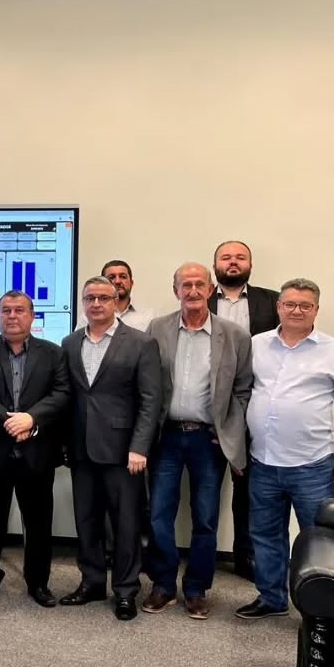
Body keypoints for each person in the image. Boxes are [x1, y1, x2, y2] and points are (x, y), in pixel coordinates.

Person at [236, 277, 334, 620]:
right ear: (279, 307)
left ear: (316, 310)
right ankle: (271, 598)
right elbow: (241, 395)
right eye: (290, 304)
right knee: (265, 535)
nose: (296, 310)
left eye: (305, 305)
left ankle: (321, 610)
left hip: (313, 466)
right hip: (263, 462)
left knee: (320, 541)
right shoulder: (257, 345)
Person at [142, 263, 252, 621]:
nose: (192, 291)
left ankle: (196, 589)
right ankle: (163, 584)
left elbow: (243, 390)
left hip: (208, 440)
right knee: (159, 514)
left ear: (210, 289)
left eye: (199, 284)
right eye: (185, 285)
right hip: (166, 436)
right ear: (175, 290)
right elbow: (147, 383)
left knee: (205, 518)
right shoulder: (157, 329)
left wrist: (228, 431)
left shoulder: (234, 335)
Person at [60, 276, 161, 620]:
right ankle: (91, 583)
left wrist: (140, 447)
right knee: (86, 520)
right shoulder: (70, 343)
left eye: (104, 298)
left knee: (125, 524)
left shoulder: (141, 343)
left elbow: (150, 401)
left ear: (116, 301)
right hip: (81, 449)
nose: (96, 304)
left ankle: (126, 590)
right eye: (90, 298)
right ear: (83, 303)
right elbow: (68, 398)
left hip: (123, 452)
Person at [0, 290, 70, 607]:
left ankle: (38, 582)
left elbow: (62, 393)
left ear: (32, 316)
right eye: (6, 310)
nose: (12, 316)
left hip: (37, 450)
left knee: (38, 521)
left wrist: (31, 419)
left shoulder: (53, 353)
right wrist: (12, 422)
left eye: (19, 310)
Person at [207, 239, 280, 580]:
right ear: (215, 265)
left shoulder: (271, 301)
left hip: (254, 409)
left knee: (248, 491)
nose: (233, 262)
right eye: (226, 257)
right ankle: (201, 557)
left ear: (250, 264)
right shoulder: (200, 300)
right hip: (209, 411)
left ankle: (245, 557)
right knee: (206, 488)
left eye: (240, 257)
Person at [77, 260, 156, 331]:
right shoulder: (89, 317)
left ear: (131, 283)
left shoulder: (148, 316)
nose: (117, 281)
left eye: (123, 277)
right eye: (111, 277)